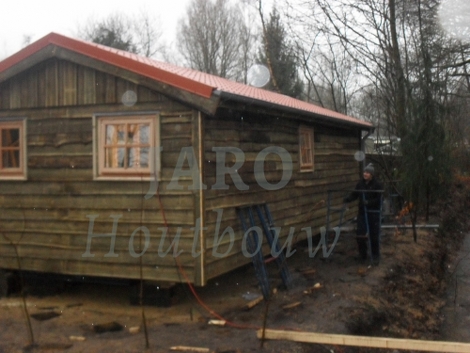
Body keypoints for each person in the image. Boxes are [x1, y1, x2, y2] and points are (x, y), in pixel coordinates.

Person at [343, 163, 383, 265]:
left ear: (372, 175)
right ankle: (363, 255)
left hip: (373, 213)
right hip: (362, 212)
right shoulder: (360, 184)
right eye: (364, 172)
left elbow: (379, 199)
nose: (365, 174)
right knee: (360, 235)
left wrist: (369, 202)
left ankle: (375, 255)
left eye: (367, 172)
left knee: (374, 235)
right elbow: (355, 194)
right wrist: (348, 199)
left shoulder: (377, 185)